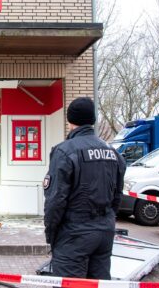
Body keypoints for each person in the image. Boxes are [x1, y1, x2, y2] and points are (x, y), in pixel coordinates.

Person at [43, 97, 125, 280]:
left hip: (74, 234)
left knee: (71, 284)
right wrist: (107, 220)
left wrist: (51, 235)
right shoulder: (113, 152)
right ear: (93, 120)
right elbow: (117, 196)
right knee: (99, 283)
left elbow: (55, 200)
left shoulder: (64, 151)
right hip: (104, 233)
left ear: (70, 120)